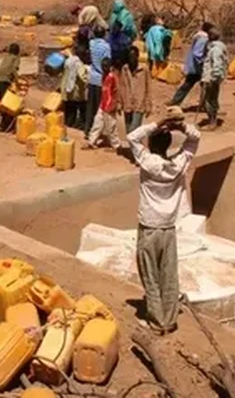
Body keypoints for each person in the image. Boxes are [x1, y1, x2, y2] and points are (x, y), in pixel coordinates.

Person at [128, 110, 200, 335]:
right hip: (168, 228)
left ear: (151, 144)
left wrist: (157, 123)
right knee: (168, 275)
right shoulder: (178, 165)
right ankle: (169, 319)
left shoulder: (148, 163)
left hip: (149, 227)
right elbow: (195, 138)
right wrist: (182, 127)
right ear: (168, 144)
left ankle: (157, 322)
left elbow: (132, 137)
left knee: (150, 276)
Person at [167, 21, 212, 107]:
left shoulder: (199, 36)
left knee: (188, 85)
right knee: (203, 85)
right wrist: (205, 61)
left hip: (194, 66)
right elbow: (197, 53)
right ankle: (206, 105)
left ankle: (176, 101)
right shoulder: (203, 39)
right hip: (198, 67)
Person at [84, 57, 122, 150]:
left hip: (110, 105)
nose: (104, 68)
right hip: (103, 104)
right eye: (102, 66)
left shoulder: (113, 77)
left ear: (109, 66)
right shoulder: (104, 76)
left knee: (111, 126)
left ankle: (117, 146)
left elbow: (117, 91)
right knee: (97, 123)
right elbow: (104, 91)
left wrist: (116, 104)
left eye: (105, 66)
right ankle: (92, 142)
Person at [119, 47, 152, 134]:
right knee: (128, 130)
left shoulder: (144, 69)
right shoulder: (125, 69)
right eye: (130, 57)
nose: (132, 59)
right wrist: (119, 102)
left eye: (133, 57)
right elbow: (121, 86)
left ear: (137, 56)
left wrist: (148, 104)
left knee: (134, 131)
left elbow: (148, 87)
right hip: (127, 103)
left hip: (139, 103)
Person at [86, 25, 111, 133]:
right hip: (101, 79)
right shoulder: (106, 46)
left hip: (92, 77)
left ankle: (87, 129)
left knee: (90, 106)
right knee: (99, 108)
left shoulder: (91, 44)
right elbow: (107, 62)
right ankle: (97, 131)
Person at [201, 29, 228, 129]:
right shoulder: (218, 48)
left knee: (208, 100)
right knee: (212, 99)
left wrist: (212, 78)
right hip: (213, 78)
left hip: (211, 78)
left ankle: (212, 122)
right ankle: (213, 121)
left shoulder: (215, 50)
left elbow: (217, 65)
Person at [0, 43, 21, 131]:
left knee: (2, 104)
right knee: (7, 105)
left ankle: (2, 124)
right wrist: (17, 82)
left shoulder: (6, 57)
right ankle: (5, 125)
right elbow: (13, 70)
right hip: (4, 80)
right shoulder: (15, 58)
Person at [61, 48, 89, 131]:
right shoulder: (79, 64)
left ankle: (68, 125)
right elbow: (83, 77)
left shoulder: (68, 61)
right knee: (82, 108)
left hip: (66, 89)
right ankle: (81, 126)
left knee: (69, 109)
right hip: (76, 91)